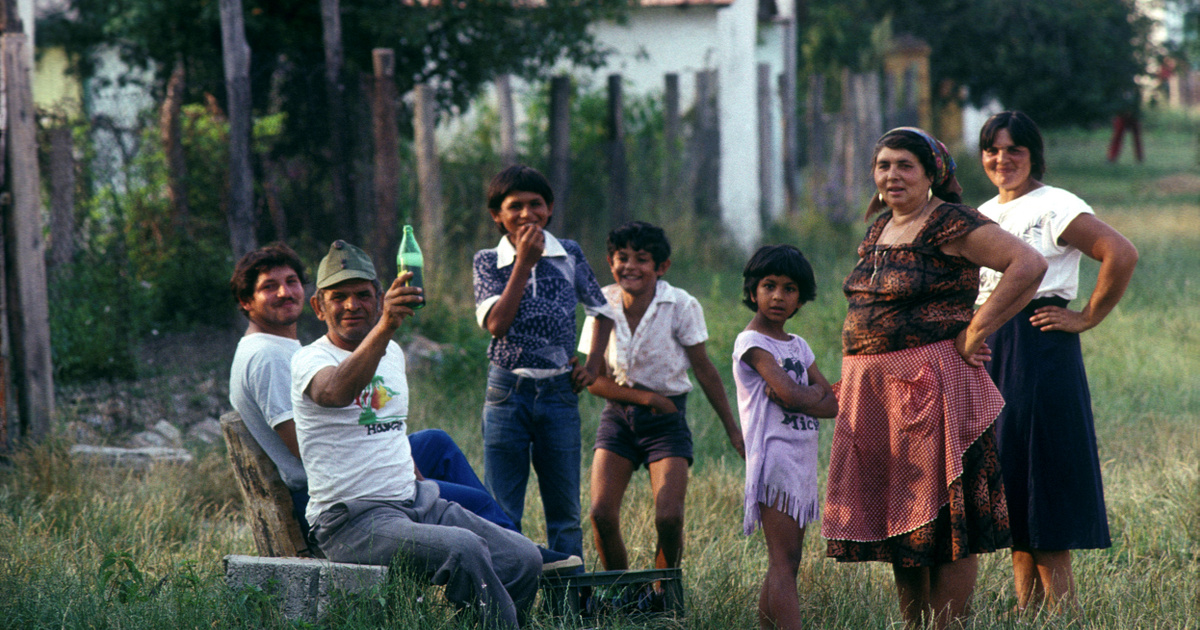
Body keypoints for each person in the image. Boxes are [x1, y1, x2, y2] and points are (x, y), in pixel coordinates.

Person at [821, 127, 1047, 630]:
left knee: (948, 523)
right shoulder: (879, 227)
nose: (892, 175)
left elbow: (1027, 263)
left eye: (905, 165)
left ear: (932, 174)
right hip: (877, 396)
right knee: (903, 520)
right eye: (883, 165)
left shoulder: (950, 222)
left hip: (932, 390)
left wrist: (976, 330)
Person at [293, 240, 542, 629]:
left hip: (412, 501)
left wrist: (418, 482)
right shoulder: (310, 359)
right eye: (338, 297)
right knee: (463, 548)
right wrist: (386, 326)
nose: (351, 305)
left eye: (362, 295)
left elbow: (390, 429)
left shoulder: (392, 352)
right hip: (349, 521)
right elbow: (336, 392)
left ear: (379, 298)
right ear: (318, 306)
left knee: (524, 558)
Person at [227, 243, 539, 554]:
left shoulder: (278, 346)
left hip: (356, 466)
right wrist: (399, 475)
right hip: (329, 491)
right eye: (269, 287)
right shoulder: (267, 355)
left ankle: (518, 550)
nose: (284, 292)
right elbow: (308, 448)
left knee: (435, 442)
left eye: (291, 281)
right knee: (472, 503)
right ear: (245, 301)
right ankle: (524, 553)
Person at [978, 111, 1138, 614]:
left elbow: (1120, 252)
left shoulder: (1055, 205)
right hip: (992, 350)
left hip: (1038, 348)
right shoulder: (982, 213)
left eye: (1014, 150)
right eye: (992, 150)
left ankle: (1064, 614)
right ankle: (1028, 611)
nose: (1002, 159)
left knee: (1042, 475)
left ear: (1034, 154)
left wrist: (1087, 316)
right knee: (1012, 477)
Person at [578, 221, 745, 579]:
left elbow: (705, 370)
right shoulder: (602, 304)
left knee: (669, 516)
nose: (630, 267)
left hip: (667, 420)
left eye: (642, 259)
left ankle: (662, 593)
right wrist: (646, 397)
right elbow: (595, 381)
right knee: (600, 513)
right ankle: (621, 591)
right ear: (610, 262)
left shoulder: (680, 304)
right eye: (622, 258)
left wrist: (733, 429)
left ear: (661, 267)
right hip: (618, 418)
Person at [472, 165, 616, 562]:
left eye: (536, 204)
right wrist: (523, 263)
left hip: (558, 393)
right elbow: (497, 325)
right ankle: (510, 591)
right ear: (497, 215)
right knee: (503, 510)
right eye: (514, 206)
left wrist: (594, 364)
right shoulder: (488, 261)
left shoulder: (568, 253)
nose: (526, 214)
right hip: (507, 392)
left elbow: (601, 311)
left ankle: (569, 594)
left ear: (550, 208)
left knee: (565, 513)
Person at [731, 244, 837, 630]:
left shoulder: (798, 345)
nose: (778, 296)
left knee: (788, 560)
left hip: (800, 457)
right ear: (752, 290)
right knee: (783, 559)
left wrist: (804, 395)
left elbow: (832, 404)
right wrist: (810, 393)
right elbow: (797, 394)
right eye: (769, 286)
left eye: (789, 289)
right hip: (773, 457)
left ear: (801, 298)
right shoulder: (752, 343)